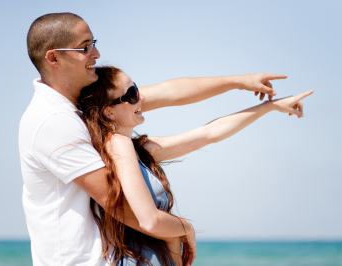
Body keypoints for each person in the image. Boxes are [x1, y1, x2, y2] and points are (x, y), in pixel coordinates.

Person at [20, 12, 292, 266]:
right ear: (53, 58)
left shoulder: (86, 106)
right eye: (85, 47)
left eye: (94, 43)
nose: (97, 53)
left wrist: (241, 81)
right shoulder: (54, 122)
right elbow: (123, 207)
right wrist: (181, 231)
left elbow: (171, 91)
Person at [77, 66, 313, 265]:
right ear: (108, 112)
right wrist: (185, 229)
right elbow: (150, 220)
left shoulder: (132, 149)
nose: (142, 98)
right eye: (131, 95)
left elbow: (210, 133)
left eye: (137, 89)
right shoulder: (118, 144)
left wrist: (270, 106)